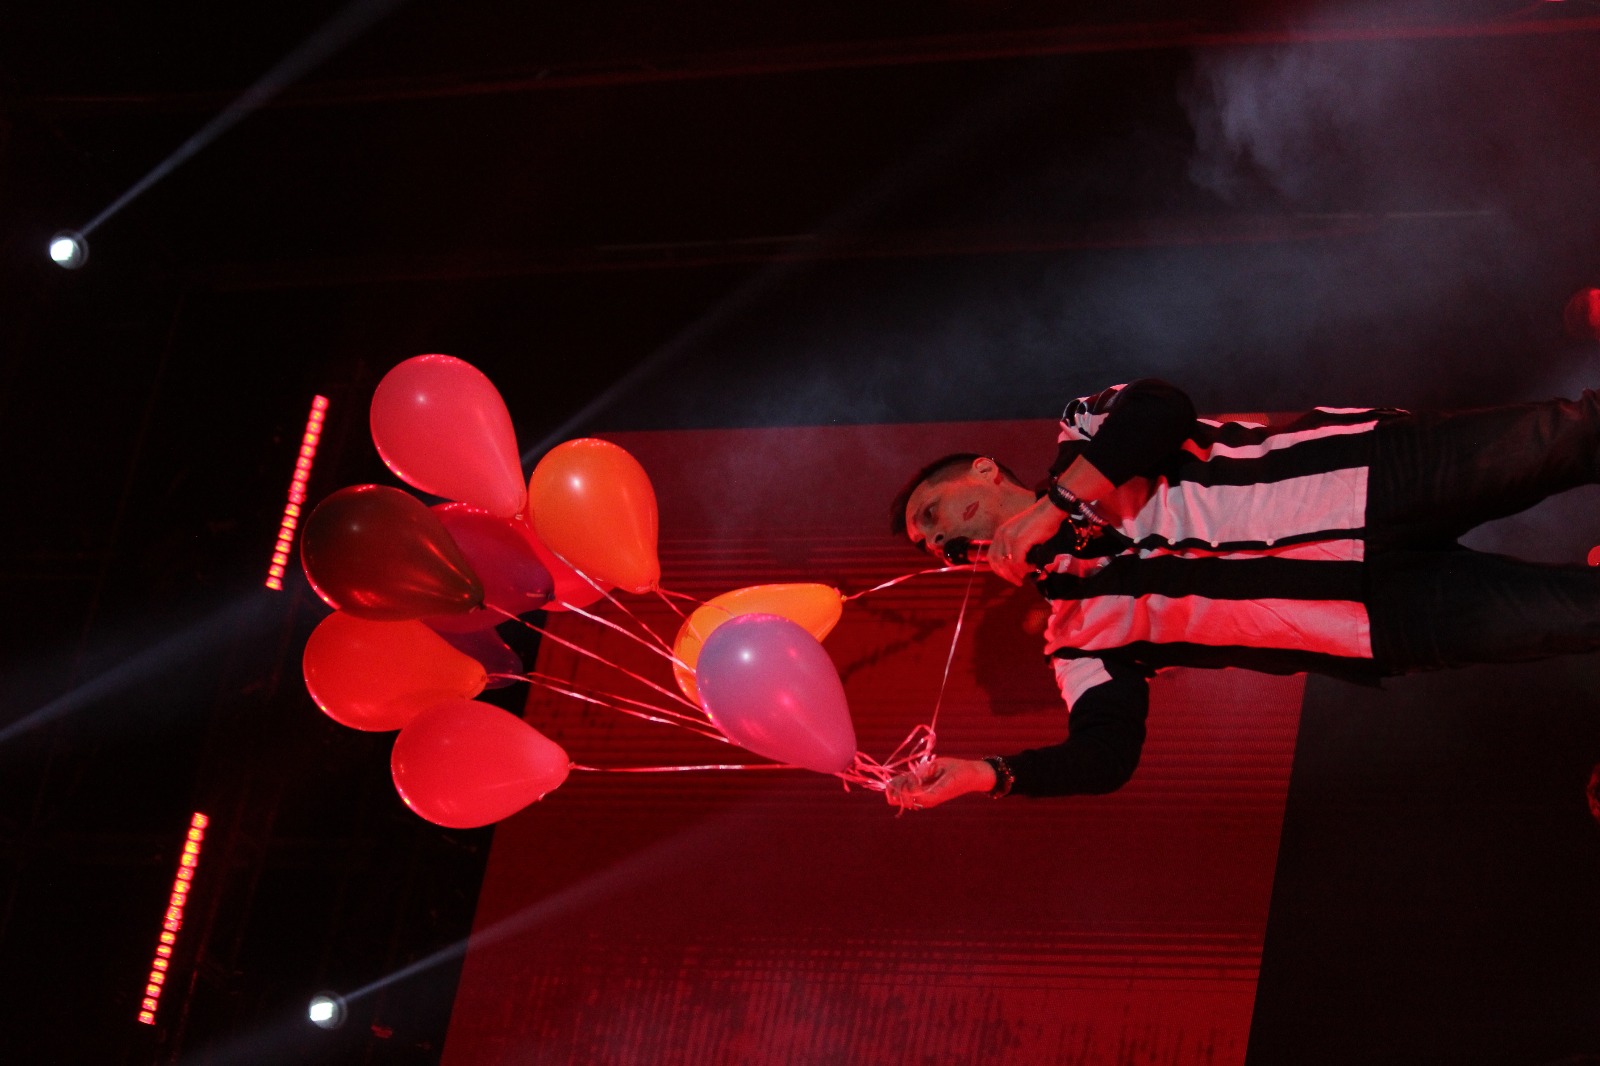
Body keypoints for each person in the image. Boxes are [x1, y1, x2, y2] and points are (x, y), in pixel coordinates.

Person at [884, 378, 1600, 809]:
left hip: (1370, 474)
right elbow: (1106, 755)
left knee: (1573, 438)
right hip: (1378, 616)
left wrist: (1060, 504)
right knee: (1579, 614)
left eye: (934, 512)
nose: (939, 537)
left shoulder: (1083, 435)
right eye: (931, 544)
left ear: (984, 471)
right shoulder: (1077, 636)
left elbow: (1162, 407)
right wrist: (987, 776)